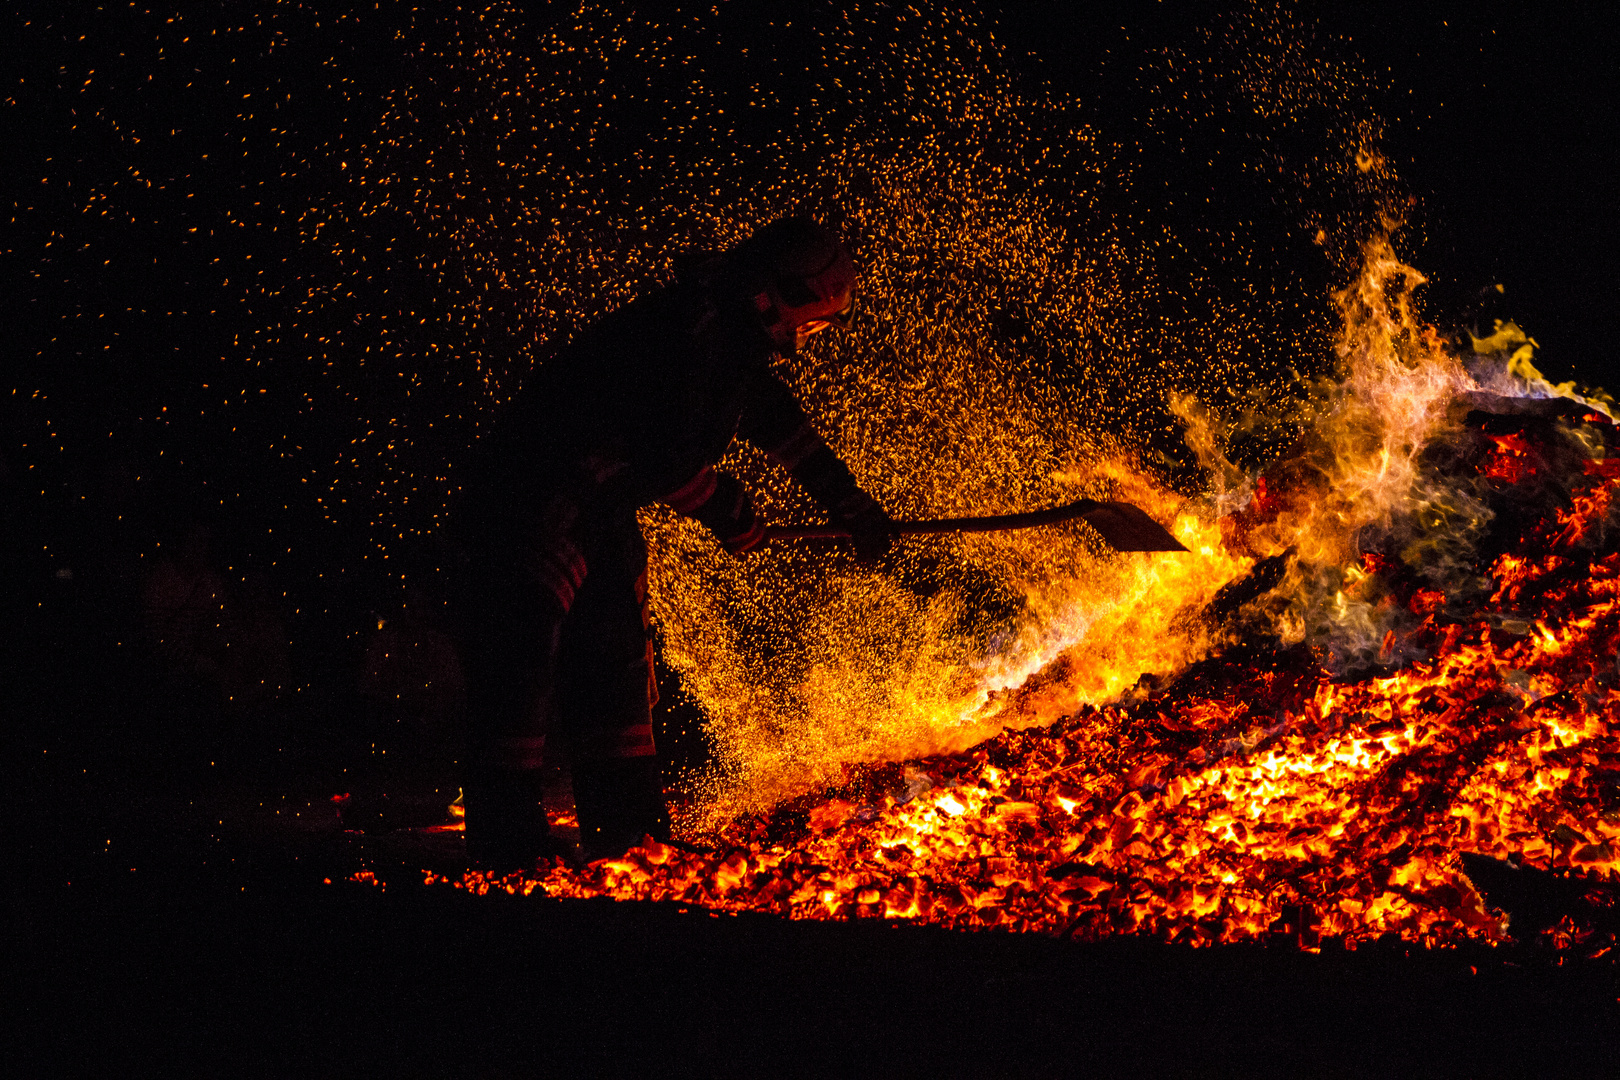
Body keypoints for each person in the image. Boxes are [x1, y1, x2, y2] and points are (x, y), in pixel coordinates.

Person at [453, 217, 892, 868]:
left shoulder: (727, 340)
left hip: (598, 509)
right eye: (813, 321)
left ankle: (630, 838)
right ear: (783, 296)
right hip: (535, 500)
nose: (805, 337)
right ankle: (507, 844)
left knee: (616, 659)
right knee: (522, 654)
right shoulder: (692, 333)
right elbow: (666, 454)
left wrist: (847, 501)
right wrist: (729, 512)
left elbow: (772, 420)